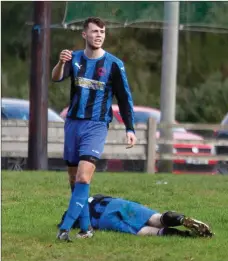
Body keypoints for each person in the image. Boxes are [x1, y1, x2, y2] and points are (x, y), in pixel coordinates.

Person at [51, 17, 137, 242]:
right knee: (73, 180)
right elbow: (56, 78)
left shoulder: (114, 64)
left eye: (102, 31)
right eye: (95, 31)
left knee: (83, 177)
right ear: (84, 34)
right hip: (73, 124)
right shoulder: (74, 57)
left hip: (97, 126)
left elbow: (125, 98)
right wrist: (61, 62)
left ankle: (65, 227)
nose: (99, 35)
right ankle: (87, 228)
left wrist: (130, 128)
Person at [57, 194, 214, 241]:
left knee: (141, 230)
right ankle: (181, 220)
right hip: (117, 203)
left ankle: (184, 236)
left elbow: (65, 222)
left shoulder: (72, 213)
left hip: (104, 219)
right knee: (156, 218)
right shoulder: (92, 196)